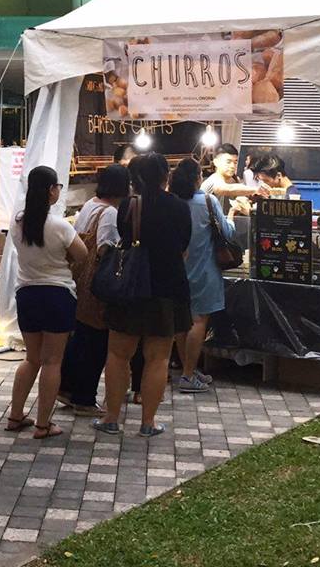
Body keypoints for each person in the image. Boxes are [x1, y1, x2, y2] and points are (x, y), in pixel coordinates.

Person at [94, 152, 193, 438]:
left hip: (130, 288)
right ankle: (148, 422)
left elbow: (124, 241)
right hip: (167, 289)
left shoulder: (128, 205)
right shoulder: (178, 207)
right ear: (165, 177)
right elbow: (183, 248)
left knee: (117, 353)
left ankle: (111, 418)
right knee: (158, 358)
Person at [7, 166, 87, 439]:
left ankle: (15, 416)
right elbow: (83, 254)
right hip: (57, 295)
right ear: (52, 190)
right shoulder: (60, 226)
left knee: (31, 358)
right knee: (53, 362)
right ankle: (43, 424)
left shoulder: (18, 222)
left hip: (27, 294)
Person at [57, 164, 129, 414]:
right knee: (95, 342)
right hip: (98, 285)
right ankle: (84, 398)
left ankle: (66, 388)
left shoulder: (90, 204)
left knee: (81, 337)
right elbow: (104, 249)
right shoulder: (109, 212)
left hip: (81, 281)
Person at [170, 158, 233, 393]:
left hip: (176, 270)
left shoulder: (172, 201)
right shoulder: (207, 201)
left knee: (180, 322)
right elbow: (226, 231)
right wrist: (234, 215)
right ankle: (187, 375)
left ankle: (187, 367)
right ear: (198, 178)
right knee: (198, 321)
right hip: (203, 270)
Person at [201, 143, 266, 214]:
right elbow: (226, 189)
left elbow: (239, 200)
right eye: (228, 162)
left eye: (235, 162)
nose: (232, 166)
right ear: (216, 162)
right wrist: (255, 189)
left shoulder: (233, 181)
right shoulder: (214, 179)